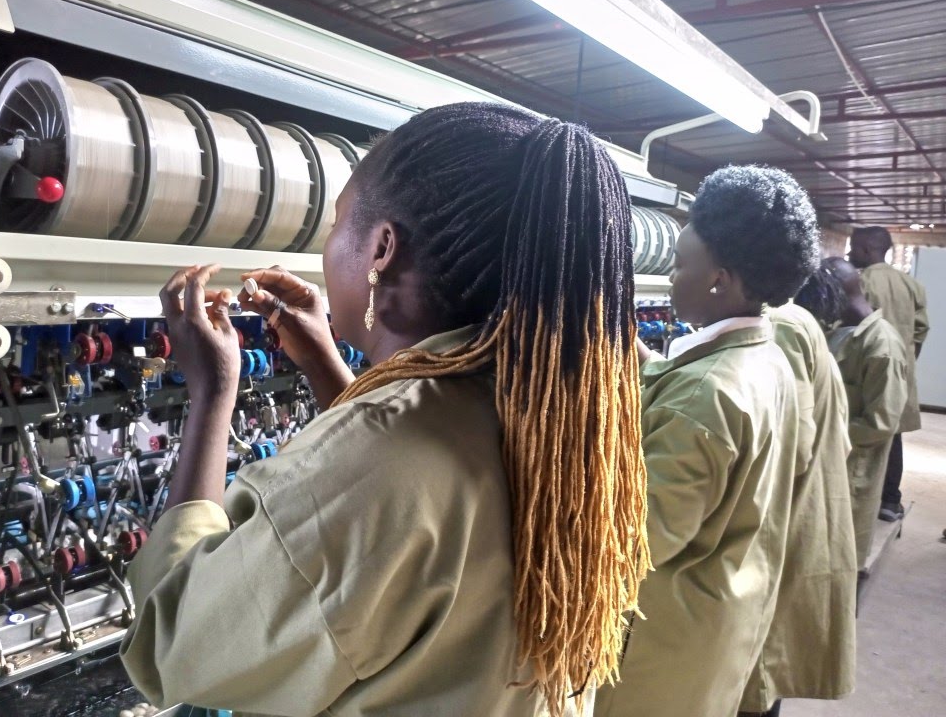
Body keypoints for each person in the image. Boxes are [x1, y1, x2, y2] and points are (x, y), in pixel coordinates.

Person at [119, 103, 650, 717]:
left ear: (381, 249)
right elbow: (408, 465)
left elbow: (174, 640)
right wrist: (324, 361)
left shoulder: (384, 455)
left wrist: (212, 395)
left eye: (338, 223)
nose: (327, 249)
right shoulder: (554, 408)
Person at [595, 165, 816, 717]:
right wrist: (626, 340)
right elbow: (689, 394)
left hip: (657, 658)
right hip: (719, 624)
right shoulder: (767, 360)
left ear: (718, 279)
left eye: (677, 266)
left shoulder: (706, 396)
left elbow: (630, 545)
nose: (669, 279)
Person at [738, 299, 856, 717]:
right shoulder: (798, 317)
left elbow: (795, 446)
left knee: (758, 670)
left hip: (784, 519)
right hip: (801, 509)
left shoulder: (780, 326)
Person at [796, 257, 908, 571]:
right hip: (823, 460)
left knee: (839, 561)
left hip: (851, 468)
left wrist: (823, 426)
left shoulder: (881, 346)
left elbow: (881, 423)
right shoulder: (838, 331)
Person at [848, 226, 929, 521]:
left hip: (864, 374)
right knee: (892, 437)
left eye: (853, 247)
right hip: (901, 372)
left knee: (863, 437)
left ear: (868, 250)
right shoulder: (911, 284)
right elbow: (921, 330)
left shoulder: (857, 283)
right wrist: (904, 361)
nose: (849, 252)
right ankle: (890, 501)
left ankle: (856, 503)